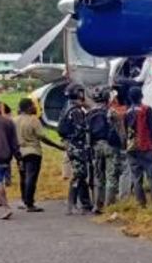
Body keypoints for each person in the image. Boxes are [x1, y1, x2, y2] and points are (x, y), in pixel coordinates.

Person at [14, 98, 62, 212]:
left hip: (19, 152)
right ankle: (30, 203)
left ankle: (24, 200)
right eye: (33, 105)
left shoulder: (14, 120)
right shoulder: (33, 120)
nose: (36, 108)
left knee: (23, 176)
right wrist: (57, 146)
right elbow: (42, 137)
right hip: (33, 152)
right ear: (29, 107)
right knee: (31, 177)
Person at [57, 84, 93, 214]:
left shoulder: (67, 108)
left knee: (81, 175)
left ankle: (85, 203)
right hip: (78, 146)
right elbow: (81, 130)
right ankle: (71, 204)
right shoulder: (76, 111)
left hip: (71, 146)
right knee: (79, 175)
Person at [124, 86, 152, 207]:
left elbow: (125, 131)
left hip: (132, 149)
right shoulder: (146, 110)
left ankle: (141, 204)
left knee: (136, 177)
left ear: (130, 98)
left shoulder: (127, 112)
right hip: (146, 147)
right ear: (141, 96)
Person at [88, 89, 122, 214]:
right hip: (110, 146)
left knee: (98, 177)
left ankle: (97, 205)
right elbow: (119, 129)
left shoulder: (89, 113)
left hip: (95, 146)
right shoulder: (111, 112)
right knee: (111, 176)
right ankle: (109, 206)